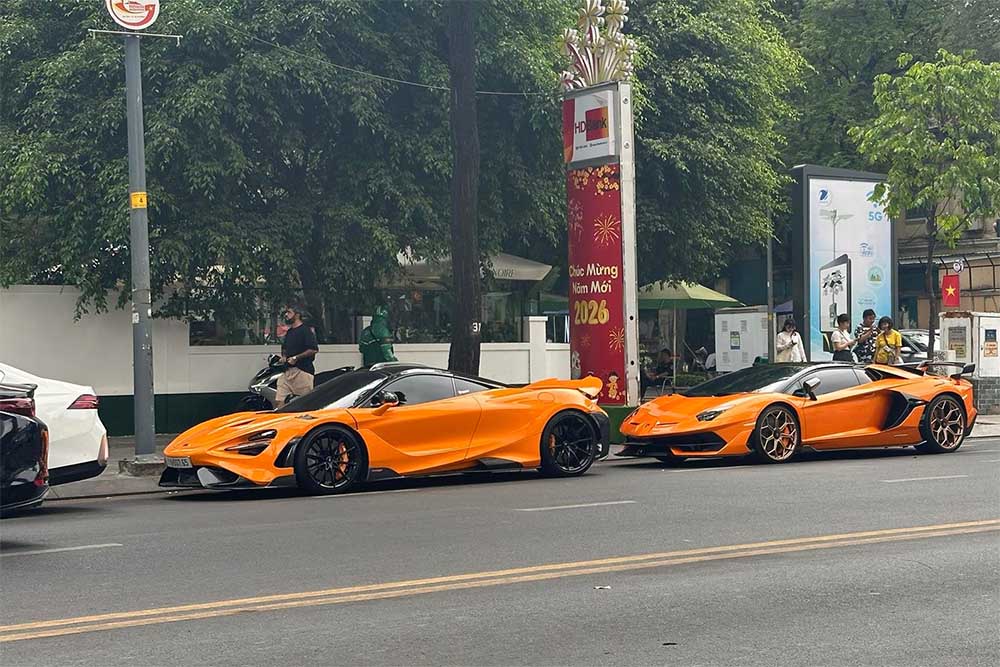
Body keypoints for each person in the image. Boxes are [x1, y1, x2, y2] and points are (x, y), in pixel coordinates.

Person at [275, 305, 319, 407]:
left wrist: (296, 358)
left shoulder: (305, 331)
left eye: (289, 313)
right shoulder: (289, 332)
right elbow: (285, 348)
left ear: (297, 315)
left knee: (305, 403)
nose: (286, 315)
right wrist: (284, 356)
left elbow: (313, 349)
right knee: (279, 400)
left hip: (302, 371)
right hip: (287, 370)